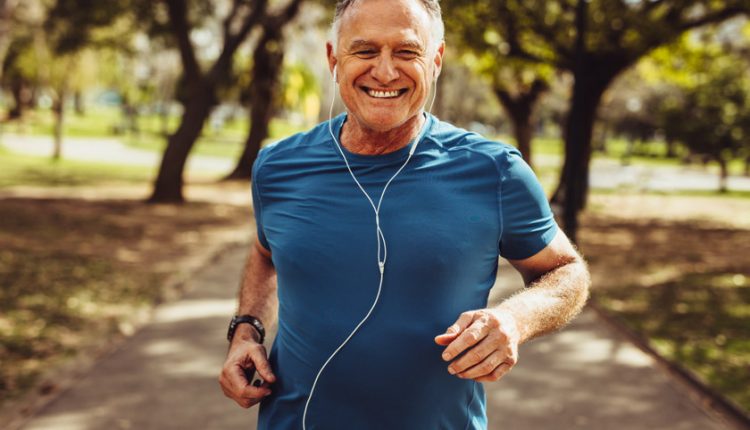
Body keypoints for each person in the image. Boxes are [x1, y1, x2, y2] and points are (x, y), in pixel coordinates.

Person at [219, 0, 590, 428]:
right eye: (365, 50)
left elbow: (567, 272)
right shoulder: (277, 167)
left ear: (435, 60)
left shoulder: (495, 171)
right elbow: (267, 252)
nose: (385, 71)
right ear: (332, 58)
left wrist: (514, 320)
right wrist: (246, 330)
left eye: (406, 52)